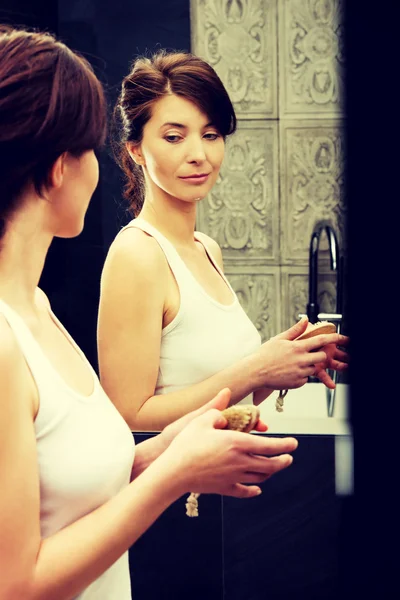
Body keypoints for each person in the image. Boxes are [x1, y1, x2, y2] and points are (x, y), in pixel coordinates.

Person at [0, 26, 299, 600]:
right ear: (61, 166)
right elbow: (17, 583)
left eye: (211, 135)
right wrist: (172, 476)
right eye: (91, 148)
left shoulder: (36, 308)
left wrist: (173, 448)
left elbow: (74, 477)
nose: (101, 168)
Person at [97, 50, 349, 431]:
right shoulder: (137, 255)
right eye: (173, 136)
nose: (199, 154)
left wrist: (287, 358)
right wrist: (256, 368)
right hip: (181, 486)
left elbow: (228, 394)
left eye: (211, 134)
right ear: (136, 151)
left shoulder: (205, 248)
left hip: (224, 474)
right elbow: (127, 418)